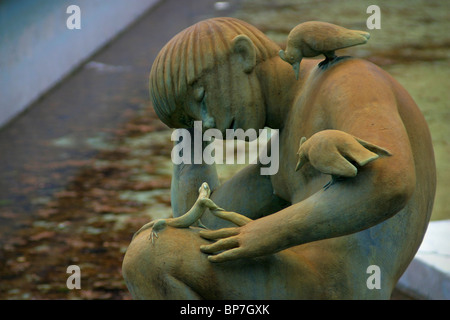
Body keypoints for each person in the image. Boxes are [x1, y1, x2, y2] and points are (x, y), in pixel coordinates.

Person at [122, 17, 436, 299]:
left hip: (333, 289)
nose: (210, 123)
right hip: (304, 280)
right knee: (155, 246)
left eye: (203, 100)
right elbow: (198, 223)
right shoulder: (284, 146)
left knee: (148, 257)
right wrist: (187, 130)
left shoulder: (348, 81)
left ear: (243, 55)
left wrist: (271, 232)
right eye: (196, 119)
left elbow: (391, 180)